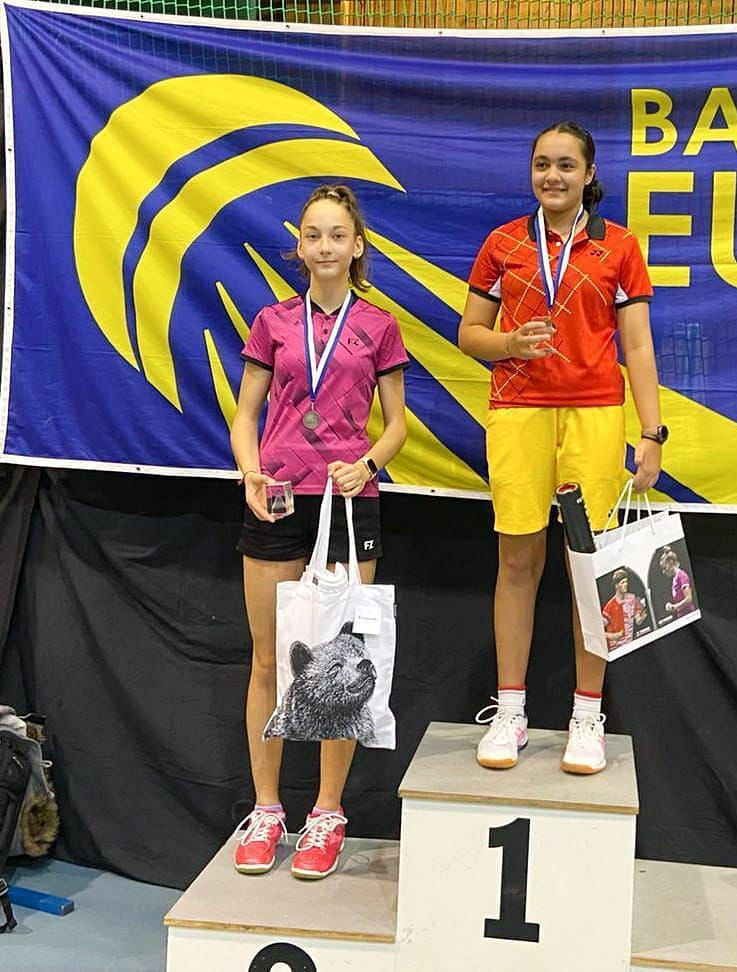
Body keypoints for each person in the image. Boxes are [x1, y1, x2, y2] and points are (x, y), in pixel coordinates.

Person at [458, 121, 667, 775]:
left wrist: (651, 432)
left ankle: (586, 715)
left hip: (595, 417)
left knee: (591, 569)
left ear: (587, 174)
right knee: (516, 560)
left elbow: (636, 347)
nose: (552, 176)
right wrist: (509, 346)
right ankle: (513, 710)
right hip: (518, 415)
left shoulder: (620, 248)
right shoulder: (503, 244)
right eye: (542, 164)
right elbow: (469, 334)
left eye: (566, 165)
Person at [229, 184, 409, 879]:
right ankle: (268, 808)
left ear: (356, 247)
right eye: (313, 234)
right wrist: (250, 472)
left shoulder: (379, 326)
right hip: (275, 498)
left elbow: (394, 425)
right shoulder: (273, 321)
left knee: (337, 666)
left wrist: (367, 464)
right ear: (299, 247)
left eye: (338, 234)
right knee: (269, 659)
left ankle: (327, 812)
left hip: (345, 503)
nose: (325, 246)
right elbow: (246, 415)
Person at [660, 547, 695, 619]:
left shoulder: (681, 576)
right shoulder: (674, 578)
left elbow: (689, 599)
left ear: (671, 563)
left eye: (665, 568)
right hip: (682, 615)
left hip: (688, 615)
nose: (663, 572)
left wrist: (674, 607)